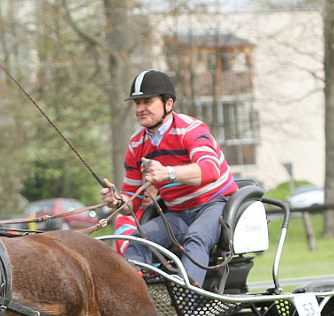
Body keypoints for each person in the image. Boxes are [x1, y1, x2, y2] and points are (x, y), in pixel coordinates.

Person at [101, 69, 239, 287]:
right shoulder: (137, 143)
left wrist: (168, 173)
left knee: (196, 238)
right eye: (137, 103)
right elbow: (131, 202)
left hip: (214, 204)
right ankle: (136, 299)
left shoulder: (191, 130)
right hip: (178, 213)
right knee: (138, 240)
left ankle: (188, 300)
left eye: (147, 101)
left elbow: (210, 170)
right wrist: (117, 201)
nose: (140, 108)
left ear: (168, 103)